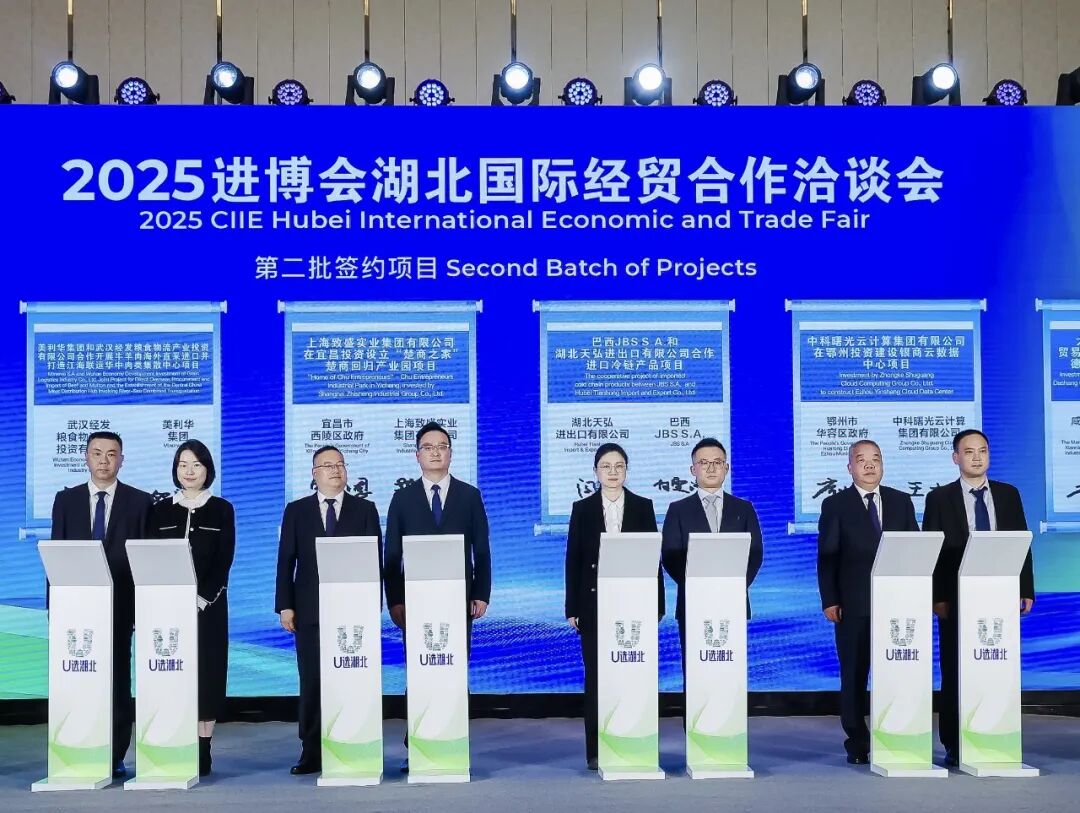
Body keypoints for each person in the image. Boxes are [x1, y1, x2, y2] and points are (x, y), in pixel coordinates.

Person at [923, 428, 1035, 767]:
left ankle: (996, 735)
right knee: (955, 670)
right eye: (969, 451)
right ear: (955, 457)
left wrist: (1025, 589)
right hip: (956, 598)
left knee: (997, 665)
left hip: (999, 596)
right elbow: (933, 551)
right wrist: (937, 597)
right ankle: (954, 743)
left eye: (982, 450)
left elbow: (1022, 543)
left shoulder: (1009, 494)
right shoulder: (939, 498)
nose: (977, 457)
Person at [384, 421, 491, 772]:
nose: (435, 452)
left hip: (457, 602)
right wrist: (395, 600)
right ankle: (416, 744)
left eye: (441, 446)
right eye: (428, 447)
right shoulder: (402, 498)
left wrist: (481, 593)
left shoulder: (469, 495)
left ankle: (453, 741)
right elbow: (392, 556)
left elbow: (481, 549)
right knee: (419, 674)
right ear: (417, 455)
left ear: (450, 453)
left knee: (454, 672)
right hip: (416, 604)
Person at [49, 430, 153, 778]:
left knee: (118, 680)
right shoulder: (66, 501)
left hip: (122, 606)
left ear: (121, 460)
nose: (104, 460)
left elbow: (144, 561)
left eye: (111, 454)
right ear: (86, 457)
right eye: (97, 453)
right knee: (77, 679)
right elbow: (56, 554)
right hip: (76, 608)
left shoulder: (140, 502)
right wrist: (54, 606)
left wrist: (143, 610)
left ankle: (115, 754)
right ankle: (77, 747)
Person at [275, 445, 382, 775]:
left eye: (340, 465)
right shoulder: (297, 511)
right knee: (312, 681)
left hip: (353, 613)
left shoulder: (365, 510)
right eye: (327, 465)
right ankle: (311, 750)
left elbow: (375, 563)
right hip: (309, 611)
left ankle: (352, 741)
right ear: (314, 474)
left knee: (352, 680)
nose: (335, 470)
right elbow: (286, 561)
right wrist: (285, 605)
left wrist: (373, 606)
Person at [564, 442, 664, 772]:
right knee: (596, 677)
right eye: (606, 466)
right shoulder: (582, 509)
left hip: (634, 606)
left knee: (633, 675)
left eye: (619, 466)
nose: (612, 472)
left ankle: (634, 741)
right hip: (593, 606)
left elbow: (654, 559)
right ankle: (596, 750)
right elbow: (573, 560)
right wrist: (572, 608)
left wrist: (657, 604)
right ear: (595, 472)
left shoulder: (643, 506)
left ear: (626, 470)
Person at [817, 439, 918, 765]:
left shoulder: (901, 502)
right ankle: (857, 742)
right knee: (855, 674)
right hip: (853, 604)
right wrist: (830, 599)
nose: (870, 465)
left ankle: (897, 734)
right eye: (862, 460)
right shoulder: (836, 505)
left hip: (897, 605)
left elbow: (915, 550)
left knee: (898, 672)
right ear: (850, 467)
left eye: (876, 458)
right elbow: (827, 557)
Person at [148, 440, 234, 777]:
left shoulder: (222, 509)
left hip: (207, 609)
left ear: (207, 469)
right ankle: (172, 740)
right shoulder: (159, 510)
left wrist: (200, 599)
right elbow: (150, 557)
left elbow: (224, 559)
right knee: (170, 672)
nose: (189, 471)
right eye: (183, 464)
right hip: (167, 610)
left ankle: (202, 747)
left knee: (207, 676)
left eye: (196, 464)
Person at [661, 438, 763, 685]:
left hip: (733, 602)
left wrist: (734, 586)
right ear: (693, 469)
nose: (710, 468)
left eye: (717, 462)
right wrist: (697, 587)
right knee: (696, 671)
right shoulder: (678, 509)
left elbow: (755, 554)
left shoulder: (744, 508)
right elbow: (670, 556)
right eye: (703, 463)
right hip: (693, 602)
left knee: (730, 672)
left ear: (726, 468)